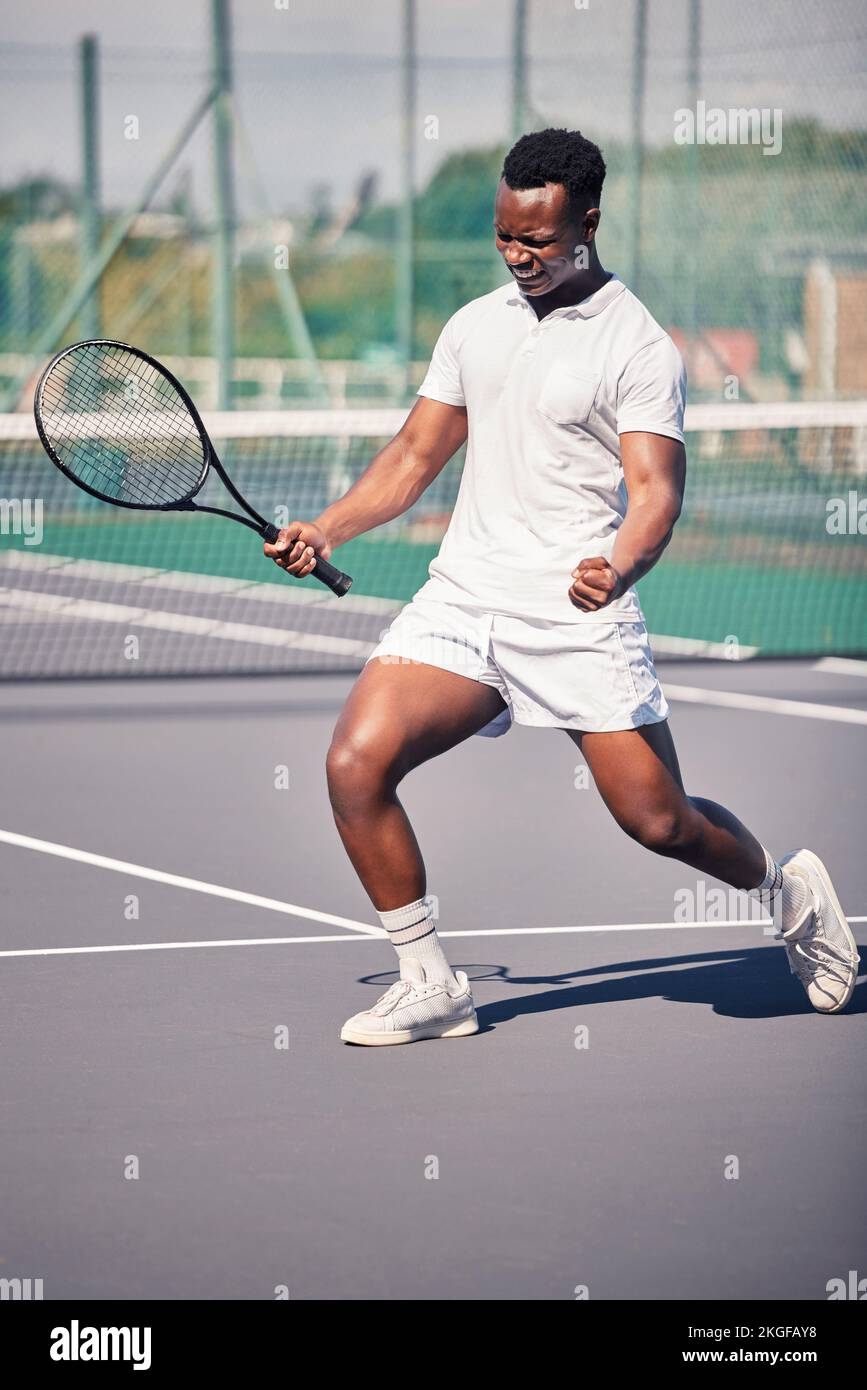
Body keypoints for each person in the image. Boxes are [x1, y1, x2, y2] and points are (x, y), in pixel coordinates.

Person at [265, 128, 859, 1045]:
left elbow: (656, 492)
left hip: (577, 609)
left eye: (535, 240)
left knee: (658, 821)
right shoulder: (474, 324)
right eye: (504, 235)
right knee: (355, 763)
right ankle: (430, 983)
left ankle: (784, 890)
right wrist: (326, 526)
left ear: (586, 221)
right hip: (464, 599)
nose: (517, 255)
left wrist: (617, 565)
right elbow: (415, 456)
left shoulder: (637, 345)